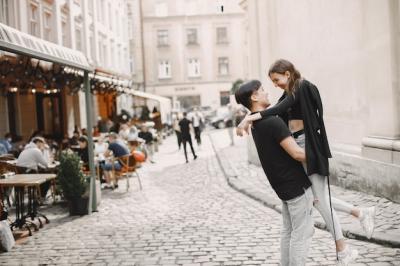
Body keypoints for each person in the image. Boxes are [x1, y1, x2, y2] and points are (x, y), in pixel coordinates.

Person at [237, 59, 373, 265]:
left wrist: (250, 117)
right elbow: (277, 111)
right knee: (316, 198)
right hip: (300, 145)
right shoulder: (288, 94)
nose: (274, 86)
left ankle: (344, 245)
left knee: (317, 198)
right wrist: (249, 117)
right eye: (269, 84)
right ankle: (356, 220)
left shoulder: (301, 86)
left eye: (276, 80)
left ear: (288, 74)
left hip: (307, 143)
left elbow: (278, 109)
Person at [235, 80, 313, 266]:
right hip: (296, 186)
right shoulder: (273, 122)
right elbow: (297, 153)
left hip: (282, 187)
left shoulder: (256, 123)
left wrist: (244, 120)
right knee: (301, 235)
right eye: (262, 90)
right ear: (254, 97)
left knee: (288, 232)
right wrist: (320, 155)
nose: (267, 93)